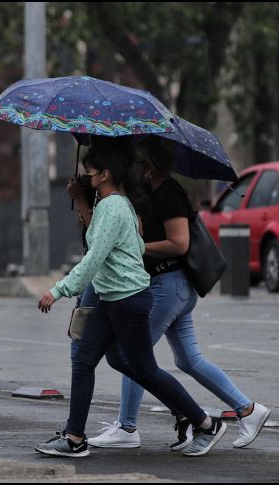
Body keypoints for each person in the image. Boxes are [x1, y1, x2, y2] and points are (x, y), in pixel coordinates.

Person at [34, 142, 227, 458]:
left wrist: (59, 290)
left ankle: (204, 423)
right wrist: (82, 201)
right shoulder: (116, 204)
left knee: (143, 368)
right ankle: (74, 438)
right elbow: (122, 248)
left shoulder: (113, 207)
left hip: (127, 300)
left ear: (105, 174)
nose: (87, 176)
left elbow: (94, 257)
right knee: (88, 359)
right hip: (114, 298)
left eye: (90, 172)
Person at [86, 138, 271, 451]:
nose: (138, 169)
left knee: (134, 354)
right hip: (172, 285)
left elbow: (180, 243)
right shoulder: (152, 194)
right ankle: (248, 410)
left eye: (142, 164)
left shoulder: (170, 193)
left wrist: (134, 248)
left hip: (168, 285)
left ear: (152, 165)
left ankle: (129, 427)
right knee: (188, 358)